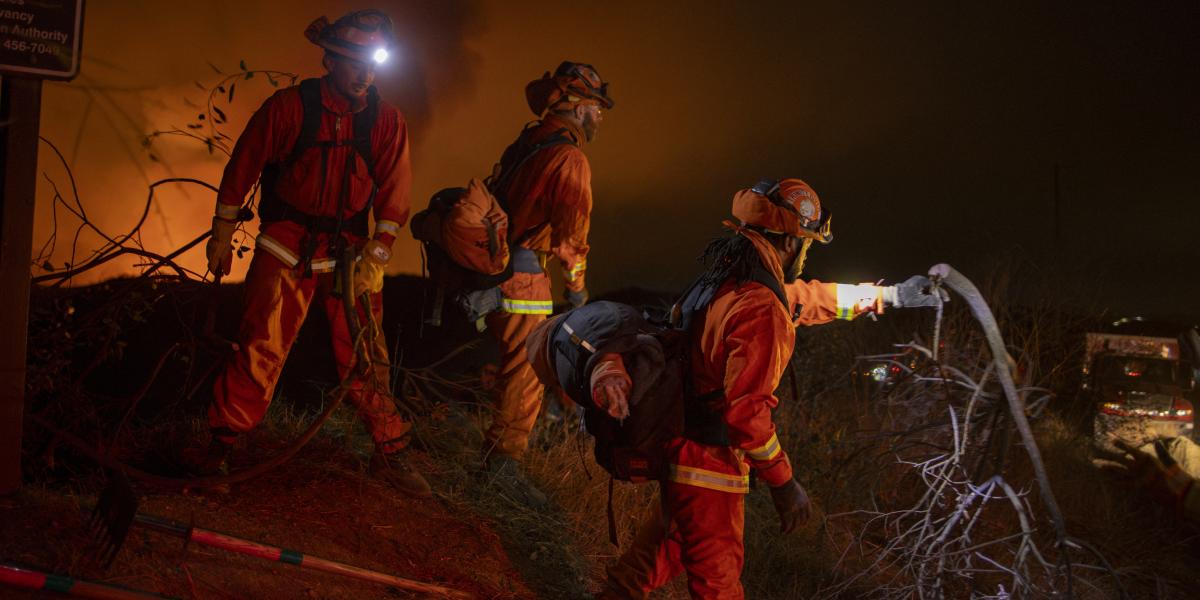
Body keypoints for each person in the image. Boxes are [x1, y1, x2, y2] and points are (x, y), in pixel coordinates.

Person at [596, 178, 943, 599]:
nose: (807, 253)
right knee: (719, 587)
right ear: (792, 242)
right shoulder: (761, 307)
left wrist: (893, 296)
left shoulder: (729, 281)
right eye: (809, 243)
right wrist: (785, 484)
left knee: (649, 564)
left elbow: (814, 298)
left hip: (684, 454)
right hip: (711, 468)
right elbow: (747, 415)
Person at [195, 9, 430, 498]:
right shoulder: (289, 108)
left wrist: (379, 254)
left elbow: (395, 193)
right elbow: (244, 164)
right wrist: (222, 231)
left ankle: (391, 453)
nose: (366, 75)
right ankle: (222, 444)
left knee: (365, 352)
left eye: (374, 65)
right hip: (286, 241)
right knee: (261, 344)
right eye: (356, 63)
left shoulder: (385, 121)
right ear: (331, 60)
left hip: (350, 252)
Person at [481, 61, 614, 501]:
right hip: (525, 279)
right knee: (527, 371)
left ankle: (493, 457)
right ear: (577, 107)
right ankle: (501, 466)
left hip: (494, 273)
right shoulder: (570, 158)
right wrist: (577, 292)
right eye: (596, 107)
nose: (600, 117)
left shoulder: (529, 141)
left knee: (508, 366)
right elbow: (572, 238)